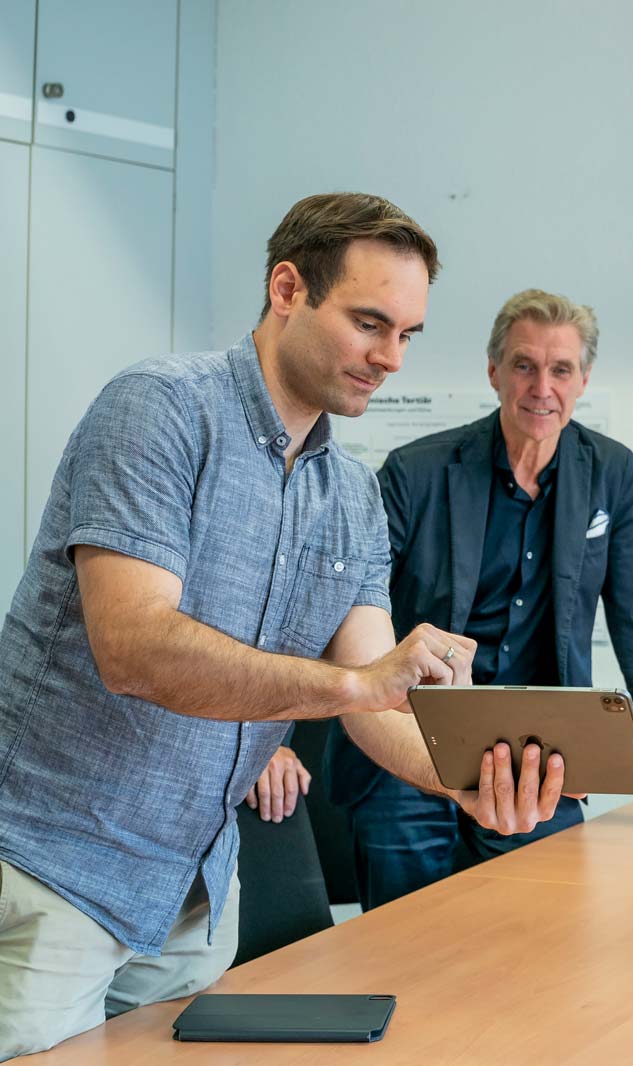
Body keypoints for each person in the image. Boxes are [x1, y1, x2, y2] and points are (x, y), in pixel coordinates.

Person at [0, 193, 563, 1061]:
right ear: (288, 288)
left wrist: (469, 780)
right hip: (55, 870)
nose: (390, 358)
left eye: (407, 334)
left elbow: (381, 695)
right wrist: (350, 686)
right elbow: (135, 649)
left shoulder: (350, 498)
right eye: (370, 322)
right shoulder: (160, 410)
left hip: (192, 896)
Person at [326, 287, 633, 912]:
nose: (540, 386)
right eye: (523, 365)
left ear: (583, 379)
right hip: (411, 746)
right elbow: (340, 611)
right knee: (400, 946)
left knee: (537, 942)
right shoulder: (416, 472)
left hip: (538, 758)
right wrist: (278, 741)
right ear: (494, 371)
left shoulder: (611, 472)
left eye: (560, 369)